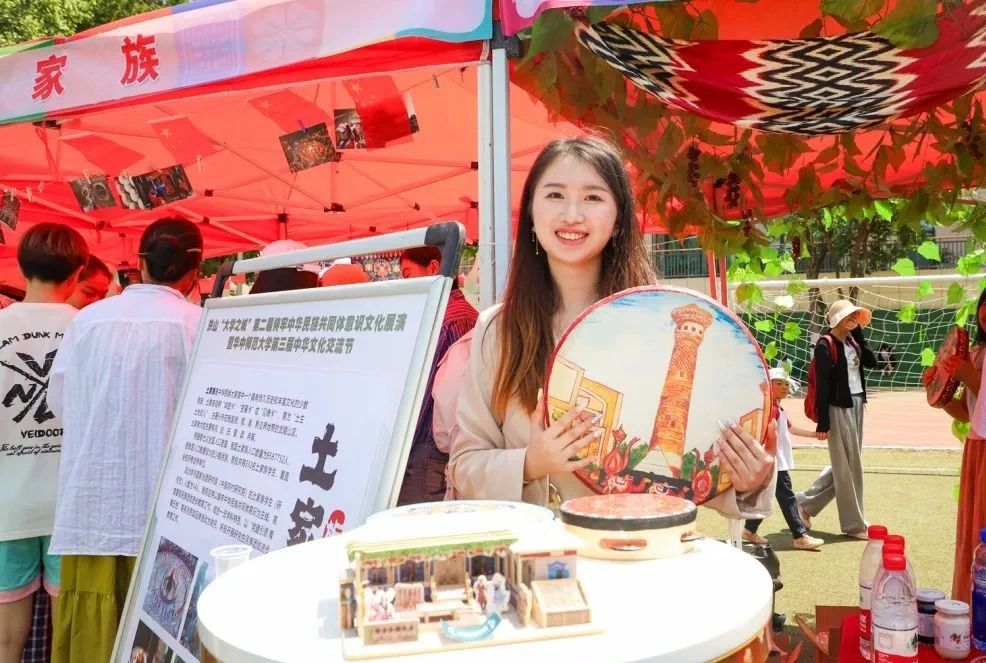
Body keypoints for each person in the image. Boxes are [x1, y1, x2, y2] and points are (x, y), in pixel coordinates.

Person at [447, 136, 775, 515]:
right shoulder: (498, 331)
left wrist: (748, 480)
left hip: (637, 544)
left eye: (592, 197)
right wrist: (531, 462)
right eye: (554, 195)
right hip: (535, 548)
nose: (572, 214)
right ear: (532, 216)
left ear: (619, 219)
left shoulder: (658, 322)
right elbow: (463, 465)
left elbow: (682, 469)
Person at [48, 217, 204, 663]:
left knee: (93, 629)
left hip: (91, 498)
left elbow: (61, 402)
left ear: (140, 262)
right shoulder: (196, 323)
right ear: (195, 269)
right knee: (162, 620)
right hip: (167, 505)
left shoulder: (87, 321)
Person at [0, 223, 87, 663]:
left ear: (20, 267)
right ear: (78, 272)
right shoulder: (87, 329)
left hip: (7, 502)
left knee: (6, 640)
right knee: (65, 631)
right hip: (70, 506)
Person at [396, 246, 479, 505]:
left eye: (407, 274)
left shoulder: (445, 320)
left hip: (428, 449)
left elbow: (421, 397)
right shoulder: (469, 315)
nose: (405, 284)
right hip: (450, 446)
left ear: (433, 268)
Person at [795, 299, 877, 539]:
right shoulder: (825, 344)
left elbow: (872, 362)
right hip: (837, 408)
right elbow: (822, 385)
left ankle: (804, 504)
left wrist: (859, 334)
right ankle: (854, 524)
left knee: (848, 463)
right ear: (837, 319)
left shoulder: (852, 341)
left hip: (857, 404)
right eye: (849, 316)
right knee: (848, 465)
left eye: (855, 316)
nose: (853, 319)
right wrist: (823, 421)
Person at [744, 367, 824, 551]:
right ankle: (799, 536)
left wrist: (815, 435)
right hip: (774, 462)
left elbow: (791, 429)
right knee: (787, 497)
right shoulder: (771, 409)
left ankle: (749, 530)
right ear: (768, 386)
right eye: (778, 383)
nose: (784, 387)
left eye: (786, 384)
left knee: (765, 496)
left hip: (773, 461)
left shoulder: (778, 408)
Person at [939, 288, 986, 602]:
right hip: (976, 449)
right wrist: (939, 395)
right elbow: (969, 412)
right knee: (974, 532)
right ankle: (971, 605)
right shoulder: (978, 353)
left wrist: (970, 377)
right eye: (985, 304)